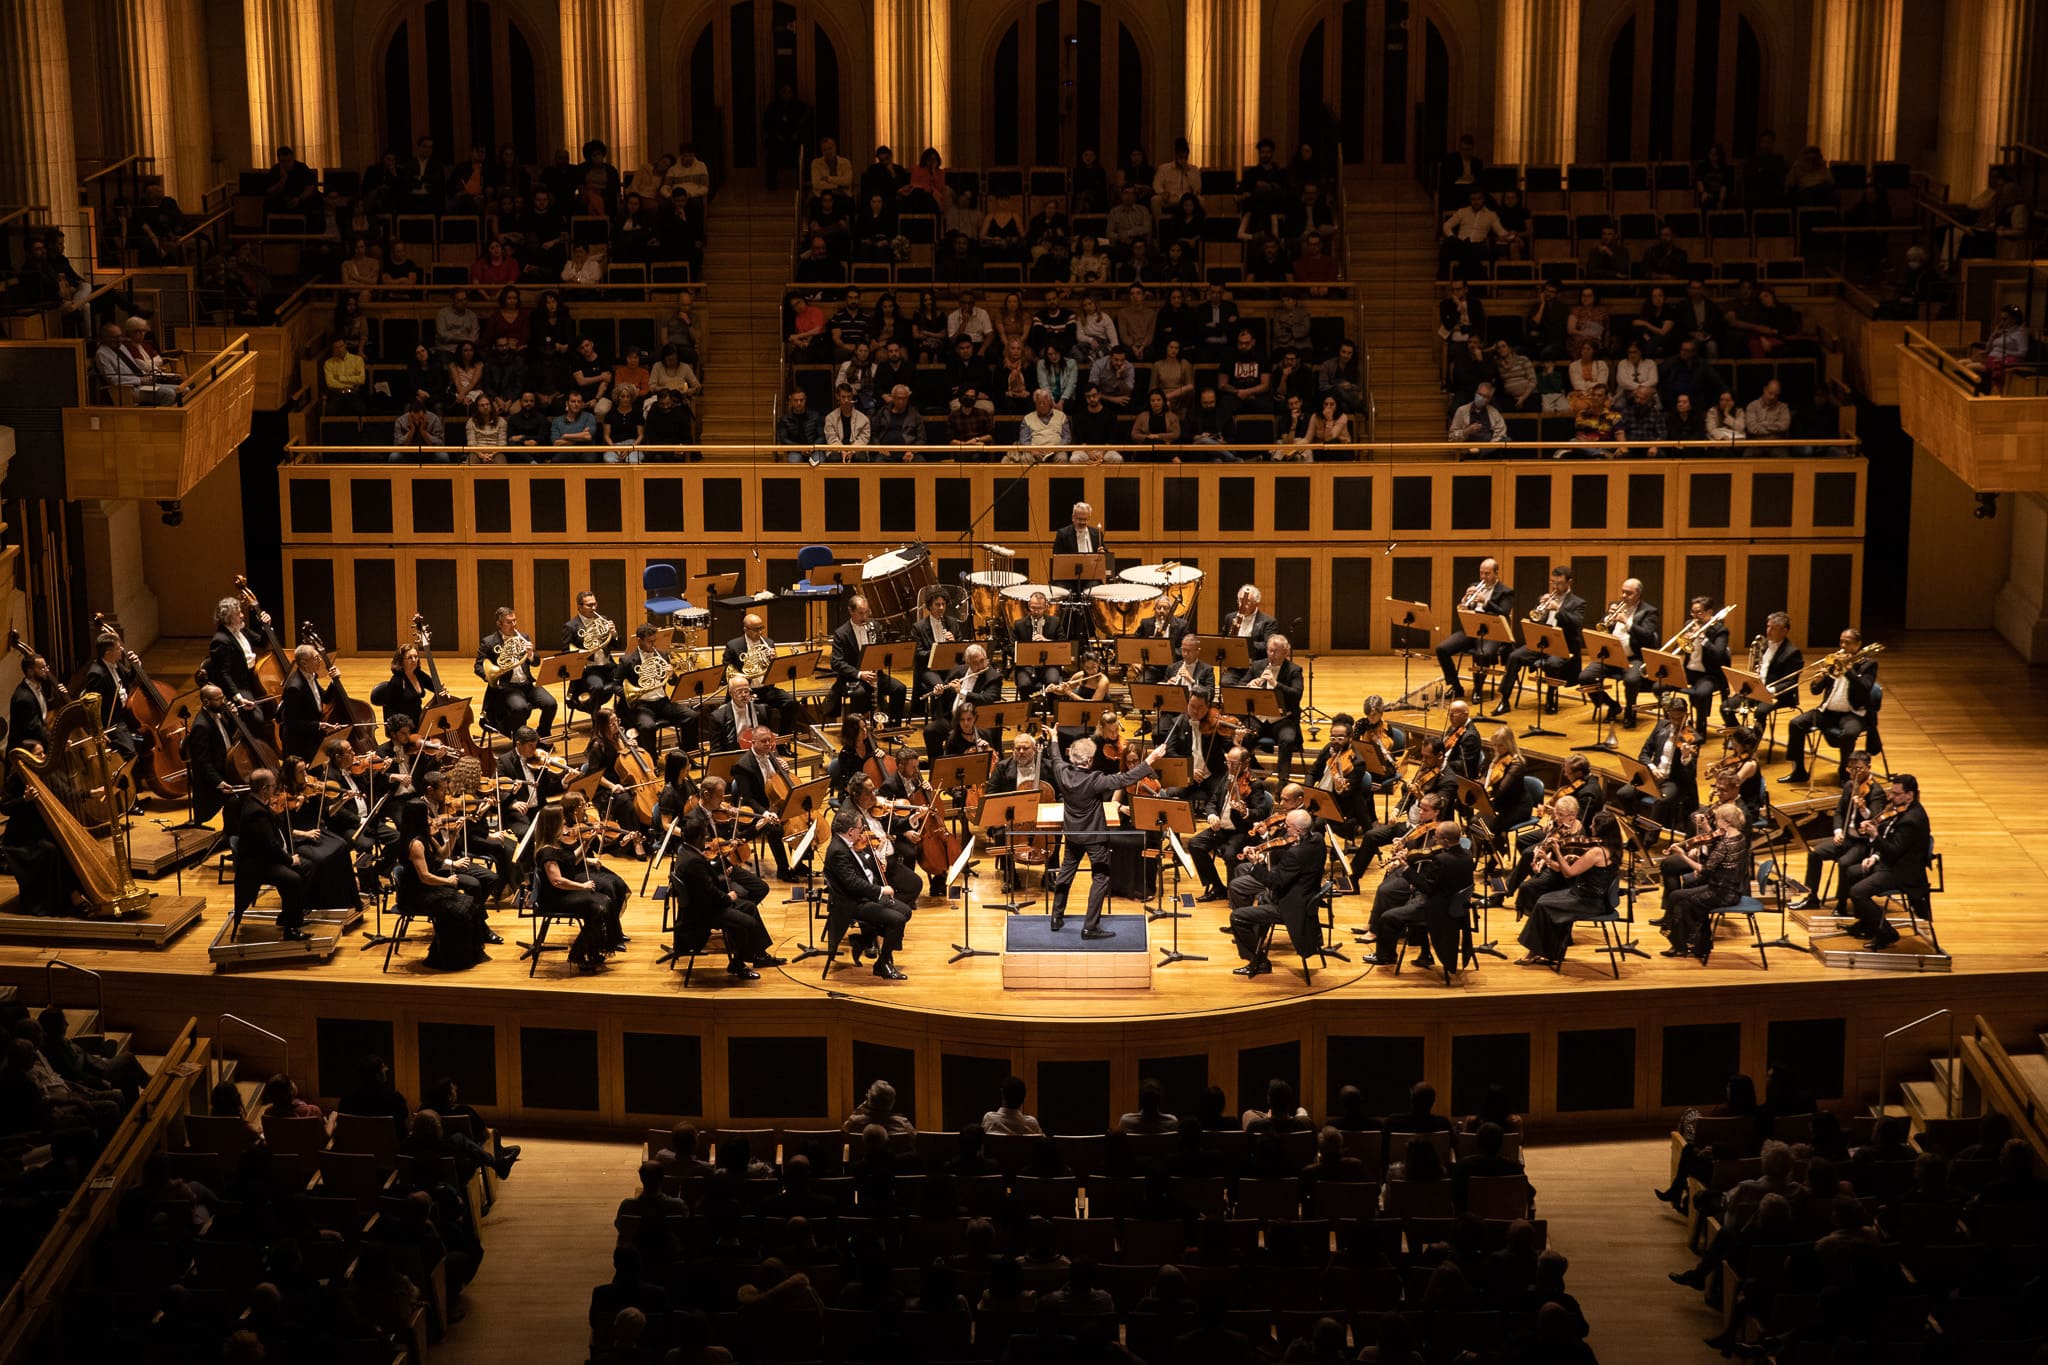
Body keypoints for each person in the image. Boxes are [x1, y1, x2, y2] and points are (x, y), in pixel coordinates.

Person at [1043, 728, 1168, 937]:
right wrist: (1152, 759)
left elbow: (1055, 756)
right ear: (1090, 760)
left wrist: (1054, 738)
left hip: (1073, 836)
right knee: (1100, 878)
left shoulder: (1061, 772)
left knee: (1065, 875)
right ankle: (1090, 926)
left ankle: (1056, 917)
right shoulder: (1095, 779)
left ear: (1072, 757)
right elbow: (1124, 779)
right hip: (1094, 838)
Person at [667, 810, 779, 978]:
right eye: (704, 836)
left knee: (749, 907)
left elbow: (703, 884)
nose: (706, 839)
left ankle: (759, 955)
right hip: (704, 912)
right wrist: (728, 897)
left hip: (703, 903)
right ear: (697, 838)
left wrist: (721, 877)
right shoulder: (693, 862)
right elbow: (709, 893)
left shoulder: (685, 850)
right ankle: (738, 964)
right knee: (748, 922)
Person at [1516, 806, 1620, 967]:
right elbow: (1583, 869)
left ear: (1600, 828)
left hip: (1588, 901)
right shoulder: (1612, 848)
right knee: (1545, 900)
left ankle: (1536, 952)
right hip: (1592, 896)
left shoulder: (1596, 852)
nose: (1590, 827)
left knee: (1544, 903)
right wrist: (1555, 860)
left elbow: (1569, 873)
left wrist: (1557, 851)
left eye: (1593, 824)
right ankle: (1550, 952)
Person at [1226, 809, 1326, 975]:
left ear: (1298, 831)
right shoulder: (1318, 840)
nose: (1286, 830)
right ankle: (1257, 944)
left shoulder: (1295, 854)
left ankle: (1258, 961)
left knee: (1237, 916)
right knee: (1259, 898)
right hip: (1304, 897)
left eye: (1288, 827)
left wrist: (1254, 865)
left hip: (1289, 907)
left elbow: (1274, 883)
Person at [1369, 819, 1475, 970]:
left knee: (1387, 917)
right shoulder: (1467, 855)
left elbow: (1426, 888)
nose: (1433, 839)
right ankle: (1425, 955)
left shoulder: (1442, 860)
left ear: (1445, 840)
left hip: (1437, 910)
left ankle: (1386, 957)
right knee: (1411, 901)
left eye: (1436, 836)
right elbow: (1440, 881)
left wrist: (1406, 869)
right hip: (1455, 907)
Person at [1841, 775, 1930, 951]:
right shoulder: (1903, 809)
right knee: (1851, 872)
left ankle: (1886, 932)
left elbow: (1894, 850)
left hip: (1903, 872)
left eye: (1896, 794)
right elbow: (1889, 837)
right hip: (1891, 863)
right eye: (1891, 792)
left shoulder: (1912, 820)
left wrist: (1875, 836)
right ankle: (1868, 923)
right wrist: (1874, 857)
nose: (1891, 797)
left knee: (1858, 892)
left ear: (1909, 795)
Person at [1781, 627, 1878, 784]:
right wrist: (1819, 679)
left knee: (1848, 734)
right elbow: (1815, 690)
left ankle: (1844, 773)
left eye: (1848, 642)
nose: (1843, 645)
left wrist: (1849, 671)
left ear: (1858, 644)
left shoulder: (1868, 665)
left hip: (1852, 713)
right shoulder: (1834, 660)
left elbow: (1864, 689)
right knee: (1796, 724)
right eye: (1841, 641)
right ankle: (1798, 770)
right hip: (1827, 711)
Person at [823, 809, 912, 979]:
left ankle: (866, 940)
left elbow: (864, 869)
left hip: (864, 896)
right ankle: (883, 963)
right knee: (897, 920)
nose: (862, 831)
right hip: (852, 903)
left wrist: (873, 855)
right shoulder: (837, 851)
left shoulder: (848, 844)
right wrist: (880, 890)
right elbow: (853, 884)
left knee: (905, 911)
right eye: (860, 828)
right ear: (850, 831)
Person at [1658, 801, 1751, 963]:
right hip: (1731, 888)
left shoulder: (1724, 844)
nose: (1715, 823)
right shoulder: (1739, 836)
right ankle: (1693, 944)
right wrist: (1706, 826)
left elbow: (1705, 869)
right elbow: (1715, 839)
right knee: (1680, 899)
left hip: (1721, 893)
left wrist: (1682, 855)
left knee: (1678, 898)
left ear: (1726, 822)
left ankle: (1683, 942)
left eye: (1717, 819)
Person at [1494, 565, 1585, 717]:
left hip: (1562, 646)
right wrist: (1541, 607)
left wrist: (1558, 610)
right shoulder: (1545, 598)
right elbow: (1534, 619)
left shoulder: (1578, 602)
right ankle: (1504, 700)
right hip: (1541, 642)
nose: (1555, 587)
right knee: (1514, 656)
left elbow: (1576, 623)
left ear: (1569, 582)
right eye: (1553, 582)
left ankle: (1551, 697)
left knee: (1553, 663)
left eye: (1559, 583)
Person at [829, 595, 908, 723]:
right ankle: (858, 732)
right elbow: (836, 662)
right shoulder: (841, 633)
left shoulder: (875, 627)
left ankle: (892, 728)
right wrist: (860, 674)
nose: (864, 617)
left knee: (899, 688)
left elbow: (883, 650)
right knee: (859, 693)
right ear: (851, 611)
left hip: (875, 675)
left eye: (866, 612)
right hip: (853, 678)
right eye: (860, 613)